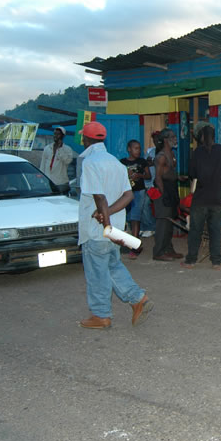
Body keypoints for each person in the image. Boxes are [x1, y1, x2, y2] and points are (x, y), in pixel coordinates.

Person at [77, 121, 153, 330]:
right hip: (114, 230)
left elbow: (99, 197)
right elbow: (128, 195)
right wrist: (109, 217)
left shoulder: (90, 162)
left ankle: (101, 315)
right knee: (113, 267)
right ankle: (138, 299)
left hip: (98, 231)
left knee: (97, 273)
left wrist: (104, 219)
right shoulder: (116, 163)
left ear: (86, 139)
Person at [181, 124, 221, 269]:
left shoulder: (197, 152)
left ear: (201, 137)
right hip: (217, 198)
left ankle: (191, 260)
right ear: (214, 136)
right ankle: (216, 262)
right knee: (215, 231)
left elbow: (192, 174)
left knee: (196, 230)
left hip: (200, 199)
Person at [151, 129, 182, 261]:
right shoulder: (161, 156)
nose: (175, 139)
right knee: (163, 222)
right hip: (163, 190)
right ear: (165, 140)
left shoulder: (171, 154)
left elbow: (168, 173)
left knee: (169, 222)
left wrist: (178, 177)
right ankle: (158, 252)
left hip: (171, 188)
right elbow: (158, 178)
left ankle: (168, 250)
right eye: (173, 137)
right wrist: (164, 194)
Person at [120, 139, 151, 259]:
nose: (138, 151)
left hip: (139, 192)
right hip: (126, 192)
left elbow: (149, 176)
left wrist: (140, 175)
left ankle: (135, 245)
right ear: (129, 149)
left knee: (135, 217)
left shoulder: (142, 162)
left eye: (139, 148)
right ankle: (128, 242)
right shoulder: (122, 162)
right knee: (126, 217)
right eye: (135, 148)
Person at [40, 127, 77, 194]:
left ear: (63, 136)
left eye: (58, 134)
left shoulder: (67, 149)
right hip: (48, 181)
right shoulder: (47, 148)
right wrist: (42, 178)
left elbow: (67, 161)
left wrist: (60, 149)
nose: (55, 136)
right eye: (55, 134)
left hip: (61, 183)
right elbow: (42, 164)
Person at [139, 131, 160, 238]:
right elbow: (145, 164)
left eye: (158, 139)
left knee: (145, 203)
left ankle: (151, 227)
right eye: (154, 139)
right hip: (147, 183)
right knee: (140, 203)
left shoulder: (165, 152)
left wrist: (154, 163)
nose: (156, 141)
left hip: (157, 185)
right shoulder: (151, 151)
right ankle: (144, 227)